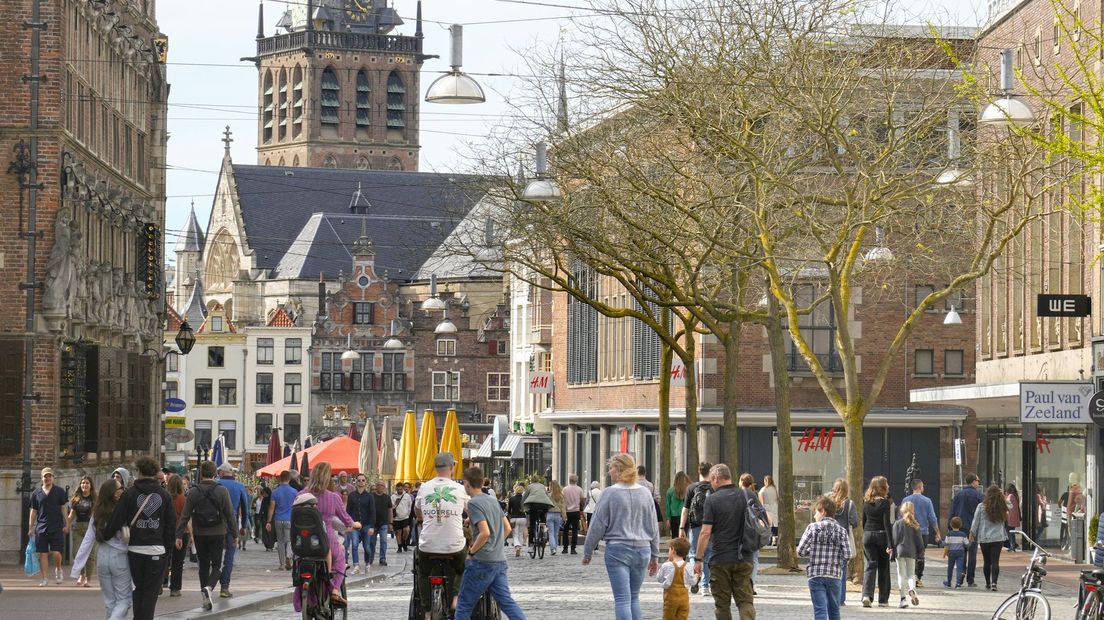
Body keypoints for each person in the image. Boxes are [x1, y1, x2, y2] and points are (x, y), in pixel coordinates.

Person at [583, 453, 660, 620]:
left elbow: (597, 525)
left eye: (610, 468)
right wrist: (655, 555)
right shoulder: (646, 493)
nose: (609, 472)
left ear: (618, 470)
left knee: (622, 599)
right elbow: (653, 526)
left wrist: (588, 551)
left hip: (618, 549)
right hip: (643, 549)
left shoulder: (609, 494)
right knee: (634, 597)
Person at [103, 456, 176, 620]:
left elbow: (116, 520)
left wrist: (104, 535)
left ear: (139, 472)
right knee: (151, 592)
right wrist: (167, 552)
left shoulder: (129, 494)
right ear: (154, 473)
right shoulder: (164, 495)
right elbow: (171, 527)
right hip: (157, 550)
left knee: (139, 588)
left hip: (135, 550)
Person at [454, 466, 528, 620]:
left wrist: (472, 551)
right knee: (506, 603)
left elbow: (485, 532)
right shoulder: (493, 500)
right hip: (499, 560)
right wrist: (495, 544)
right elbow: (507, 528)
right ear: (482, 482)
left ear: (466, 484)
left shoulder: (473, 503)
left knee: (463, 605)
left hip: (481, 562)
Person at [693, 463, 757, 620]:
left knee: (722, 605)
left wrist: (698, 559)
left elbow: (705, 532)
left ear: (715, 478)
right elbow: (764, 521)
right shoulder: (748, 495)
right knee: (745, 602)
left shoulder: (712, 500)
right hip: (745, 556)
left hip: (720, 559)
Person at [415, 453, 470, 620]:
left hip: (428, 545)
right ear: (452, 468)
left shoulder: (424, 488)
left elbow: (417, 510)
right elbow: (473, 510)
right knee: (463, 565)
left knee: (423, 572)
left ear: (435, 468)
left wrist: (422, 518)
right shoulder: (460, 489)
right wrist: (467, 519)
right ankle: (455, 597)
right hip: (454, 546)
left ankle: (427, 611)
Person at [176, 460, 236, 611]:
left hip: (200, 533)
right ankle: (209, 588)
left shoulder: (193, 491)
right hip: (218, 532)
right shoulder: (222, 491)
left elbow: (185, 515)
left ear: (201, 474)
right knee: (216, 566)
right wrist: (234, 533)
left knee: (203, 566)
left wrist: (178, 535)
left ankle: (205, 595)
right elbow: (230, 515)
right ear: (215, 473)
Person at [301, 462, 363, 606]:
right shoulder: (333, 497)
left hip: (304, 541)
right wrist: (356, 524)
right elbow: (347, 520)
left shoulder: (302, 494)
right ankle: (335, 590)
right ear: (328, 478)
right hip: (326, 539)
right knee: (340, 558)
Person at [72, 478, 129, 619]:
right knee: (124, 600)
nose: (122, 490)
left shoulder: (97, 512)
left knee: (110, 602)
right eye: (120, 488)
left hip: (102, 556)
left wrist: (77, 566)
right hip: (119, 556)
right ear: (113, 493)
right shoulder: (122, 510)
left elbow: (88, 540)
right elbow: (128, 537)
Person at [798, 496, 852, 620]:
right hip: (834, 575)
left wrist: (812, 551)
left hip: (816, 574)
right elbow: (848, 554)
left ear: (822, 511)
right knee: (834, 611)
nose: (814, 516)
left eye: (816, 512)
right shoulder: (842, 531)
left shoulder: (812, 528)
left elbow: (800, 551)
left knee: (820, 610)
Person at [28, 466, 71, 587]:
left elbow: (64, 508)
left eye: (49, 476)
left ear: (53, 477)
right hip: (41, 527)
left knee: (56, 552)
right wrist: (31, 527)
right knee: (43, 553)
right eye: (45, 476)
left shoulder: (59, 491)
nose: (47, 478)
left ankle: (58, 569)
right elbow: (33, 511)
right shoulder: (36, 493)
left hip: (56, 525)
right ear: (41, 478)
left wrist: (67, 523)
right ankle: (45, 578)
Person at [679, 462, 714, 597]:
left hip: (694, 525)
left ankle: (695, 577)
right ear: (710, 472)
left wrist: (682, 527)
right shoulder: (714, 488)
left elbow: (685, 510)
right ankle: (705, 586)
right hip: (710, 526)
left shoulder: (691, 488)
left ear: (699, 472)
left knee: (694, 554)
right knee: (708, 554)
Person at [215, 462, 249, 598]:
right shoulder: (240, 486)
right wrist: (244, 526)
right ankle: (224, 587)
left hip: (215, 524)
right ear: (231, 472)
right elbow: (245, 509)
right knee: (229, 556)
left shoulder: (216, 484)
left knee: (215, 555)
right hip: (232, 524)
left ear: (221, 472)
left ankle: (213, 580)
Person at [860, 475, 894, 608]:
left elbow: (863, 521)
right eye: (887, 484)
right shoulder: (885, 502)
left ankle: (866, 595)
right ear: (882, 487)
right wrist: (890, 543)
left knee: (870, 565)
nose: (889, 486)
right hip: (882, 536)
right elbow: (887, 524)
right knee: (884, 568)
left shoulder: (866, 502)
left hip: (868, 535)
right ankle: (883, 600)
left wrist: (866, 534)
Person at [901, 479, 940, 588]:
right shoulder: (927, 501)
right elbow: (932, 518)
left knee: (909, 555)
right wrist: (937, 532)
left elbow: (901, 517)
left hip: (908, 531)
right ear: (920, 487)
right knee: (920, 555)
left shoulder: (905, 500)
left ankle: (910, 576)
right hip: (922, 532)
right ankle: (918, 578)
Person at [971, 484, 1009, 591]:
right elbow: (1011, 505)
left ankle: (987, 583)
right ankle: (994, 584)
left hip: (985, 538)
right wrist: (1002, 496)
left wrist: (972, 533)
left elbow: (975, 521)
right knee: (995, 561)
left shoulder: (981, 506)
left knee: (986, 561)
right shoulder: (1002, 506)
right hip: (998, 538)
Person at [950, 473, 984, 587]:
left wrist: (951, 526)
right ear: (973, 481)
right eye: (978, 481)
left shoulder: (958, 494)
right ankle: (971, 579)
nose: (978, 483)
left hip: (959, 527)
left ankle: (961, 575)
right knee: (972, 553)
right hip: (973, 528)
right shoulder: (978, 495)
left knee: (961, 553)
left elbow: (953, 511)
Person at [829, 479, 857, 606]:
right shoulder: (850, 504)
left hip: (829, 539)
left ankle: (830, 597)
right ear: (846, 490)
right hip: (843, 539)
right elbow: (854, 522)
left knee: (829, 570)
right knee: (842, 570)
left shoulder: (829, 502)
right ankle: (840, 599)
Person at [892, 501, 924, 609]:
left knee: (901, 575)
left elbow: (894, 540)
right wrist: (920, 553)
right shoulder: (915, 524)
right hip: (911, 552)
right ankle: (912, 589)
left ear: (901, 510)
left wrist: (892, 551)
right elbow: (920, 541)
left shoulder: (897, 523)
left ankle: (903, 599)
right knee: (911, 574)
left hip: (900, 551)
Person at [67, 475, 96, 587]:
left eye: (87, 483)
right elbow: (71, 515)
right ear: (80, 485)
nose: (85, 485)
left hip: (91, 528)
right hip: (78, 528)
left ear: (91, 486)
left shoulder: (94, 499)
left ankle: (88, 579)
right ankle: (81, 574)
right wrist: (67, 524)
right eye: (83, 483)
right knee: (76, 553)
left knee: (91, 555)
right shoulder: (76, 499)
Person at [656, 537, 694, 620]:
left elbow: (659, 578)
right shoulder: (688, 566)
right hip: (684, 598)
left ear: (673, 550)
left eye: (669, 550)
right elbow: (692, 582)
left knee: (668, 617)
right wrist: (697, 576)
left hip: (670, 598)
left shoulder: (667, 565)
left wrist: (665, 563)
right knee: (683, 617)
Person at [738, 473, 765, 591]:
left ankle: (740, 584)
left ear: (740, 482)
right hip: (752, 530)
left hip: (739, 529)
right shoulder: (753, 495)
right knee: (754, 558)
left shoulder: (736, 494)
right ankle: (751, 584)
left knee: (739, 557)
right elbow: (761, 512)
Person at [267, 470, 297, 570]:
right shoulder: (294, 492)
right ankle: (289, 555)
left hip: (278, 519)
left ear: (280, 478)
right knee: (289, 540)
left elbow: (271, 507)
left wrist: (268, 521)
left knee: (280, 541)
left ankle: (282, 564)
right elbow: (296, 506)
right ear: (289, 479)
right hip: (290, 519)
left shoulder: (275, 492)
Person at [346, 474, 375, 574]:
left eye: (363, 480)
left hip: (366, 525)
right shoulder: (352, 495)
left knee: (366, 547)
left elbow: (372, 512)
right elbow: (348, 511)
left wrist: (372, 527)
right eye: (359, 480)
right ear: (356, 482)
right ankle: (356, 565)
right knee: (354, 545)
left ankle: (367, 563)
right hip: (354, 525)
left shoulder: (369, 496)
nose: (361, 482)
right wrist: (348, 525)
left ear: (365, 482)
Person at [166, 474, 189, 597]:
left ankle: (160, 583)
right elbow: (187, 518)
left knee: (164, 560)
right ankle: (175, 588)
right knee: (178, 562)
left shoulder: (165, 498)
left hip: (167, 533)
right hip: (182, 533)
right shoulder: (183, 499)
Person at [522, 476, 554, 546]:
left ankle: (531, 543)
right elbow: (547, 496)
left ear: (531, 480)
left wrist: (523, 507)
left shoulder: (530, 486)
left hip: (534, 505)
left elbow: (525, 497)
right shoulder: (542, 486)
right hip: (544, 505)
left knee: (532, 525)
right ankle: (544, 532)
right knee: (543, 520)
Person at [368, 480, 394, 566]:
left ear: (384, 487)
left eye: (382, 485)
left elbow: (390, 510)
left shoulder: (387, 497)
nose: (380, 487)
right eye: (378, 485)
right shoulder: (371, 496)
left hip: (384, 523)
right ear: (376, 486)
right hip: (373, 524)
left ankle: (382, 558)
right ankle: (370, 558)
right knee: (372, 542)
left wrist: (390, 523)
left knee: (384, 541)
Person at [563, 474, 586, 554]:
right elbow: (582, 500)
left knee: (565, 530)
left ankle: (565, 548)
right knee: (575, 531)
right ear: (576, 480)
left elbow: (562, 500)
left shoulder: (565, 489)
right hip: (576, 511)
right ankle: (573, 548)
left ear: (569, 480)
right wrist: (581, 508)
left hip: (567, 512)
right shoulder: (579, 489)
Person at [942, 516, 968, 588]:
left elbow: (945, 543)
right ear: (961, 525)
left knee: (950, 567)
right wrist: (971, 542)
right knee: (959, 568)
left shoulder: (949, 534)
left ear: (951, 524)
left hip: (951, 552)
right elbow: (967, 544)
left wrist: (939, 541)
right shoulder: (963, 534)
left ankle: (949, 582)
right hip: (960, 553)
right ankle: (958, 583)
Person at [666, 471, 690, 542]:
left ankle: (676, 552)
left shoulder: (670, 491)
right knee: (684, 537)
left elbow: (668, 506)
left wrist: (668, 518)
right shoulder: (688, 490)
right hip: (685, 516)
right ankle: (684, 551)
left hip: (674, 517)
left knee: (675, 537)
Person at [507, 484, 528, 557]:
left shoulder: (512, 499)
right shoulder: (524, 499)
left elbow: (509, 510)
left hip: (514, 518)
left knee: (515, 534)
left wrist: (509, 516)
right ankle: (520, 547)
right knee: (520, 534)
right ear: (522, 491)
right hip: (522, 518)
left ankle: (517, 546)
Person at [758, 476, 779, 546]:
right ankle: (775, 539)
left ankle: (768, 540)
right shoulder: (775, 489)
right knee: (775, 524)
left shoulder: (763, 490)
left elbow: (761, 501)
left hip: (767, 508)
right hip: (775, 507)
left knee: (768, 524)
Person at [393, 482, 413, 553]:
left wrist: (407, 514)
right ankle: (399, 547)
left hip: (405, 517)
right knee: (398, 532)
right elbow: (391, 507)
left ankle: (404, 542)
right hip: (396, 518)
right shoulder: (393, 497)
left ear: (402, 488)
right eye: (398, 489)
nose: (399, 491)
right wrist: (395, 503)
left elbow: (410, 506)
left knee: (406, 530)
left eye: (401, 489)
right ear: (396, 489)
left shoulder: (407, 496)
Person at [548, 480, 566, 556]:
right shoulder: (561, 496)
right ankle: (555, 547)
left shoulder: (549, 495)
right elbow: (563, 508)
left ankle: (553, 549)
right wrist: (564, 517)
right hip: (558, 515)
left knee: (551, 532)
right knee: (556, 533)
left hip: (550, 514)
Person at [1006, 484, 1021, 552]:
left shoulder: (1010, 496)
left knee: (1009, 531)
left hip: (1010, 517)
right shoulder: (1015, 496)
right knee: (1011, 531)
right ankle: (1013, 544)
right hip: (1014, 516)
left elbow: (1007, 504)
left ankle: (1012, 545)